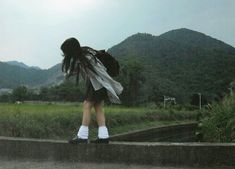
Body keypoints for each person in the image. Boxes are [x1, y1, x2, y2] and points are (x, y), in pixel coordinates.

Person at [60, 38, 123, 144]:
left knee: (87, 105)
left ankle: (82, 136)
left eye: (66, 51)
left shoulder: (86, 56)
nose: (65, 54)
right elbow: (87, 69)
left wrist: (109, 84)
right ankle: (103, 136)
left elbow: (99, 71)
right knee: (98, 107)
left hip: (97, 84)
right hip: (97, 84)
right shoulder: (84, 55)